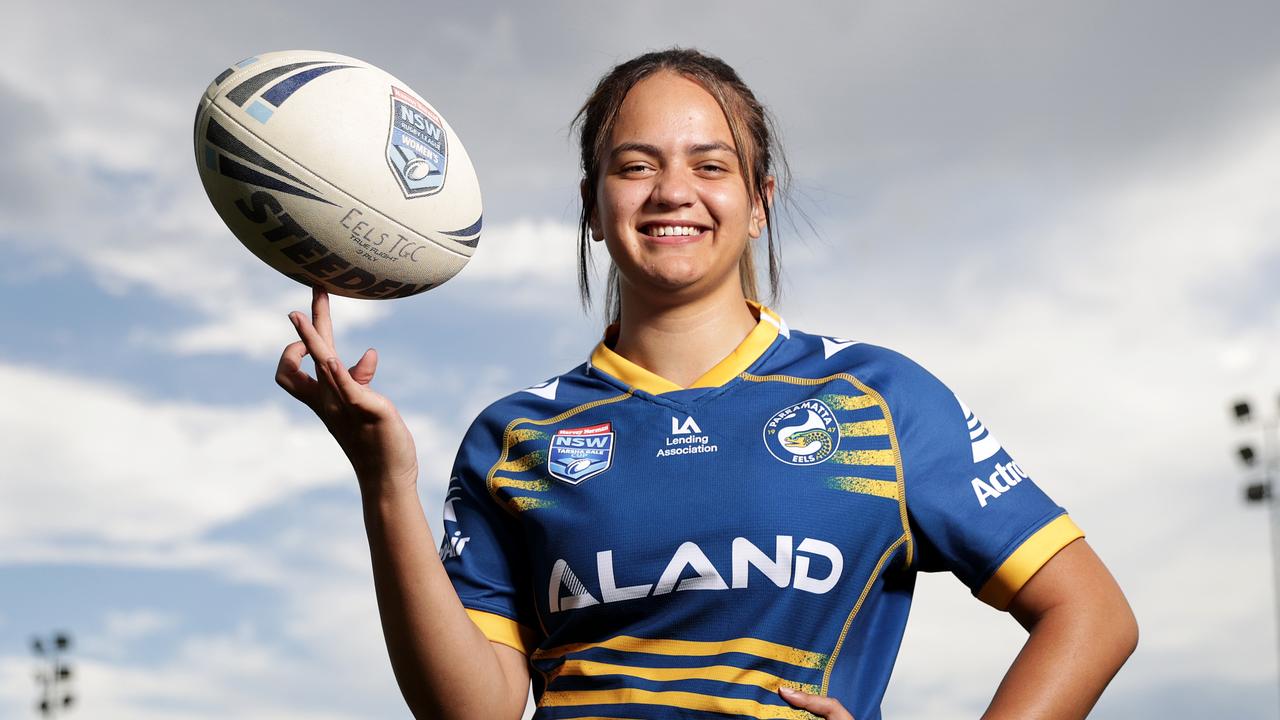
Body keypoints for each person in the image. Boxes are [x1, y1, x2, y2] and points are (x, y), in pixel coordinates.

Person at [276, 48, 1138, 720]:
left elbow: (1091, 614)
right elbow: (475, 710)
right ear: (592, 204)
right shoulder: (517, 436)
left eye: (710, 165)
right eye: (636, 165)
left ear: (759, 200)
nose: (672, 192)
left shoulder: (877, 397)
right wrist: (384, 483)